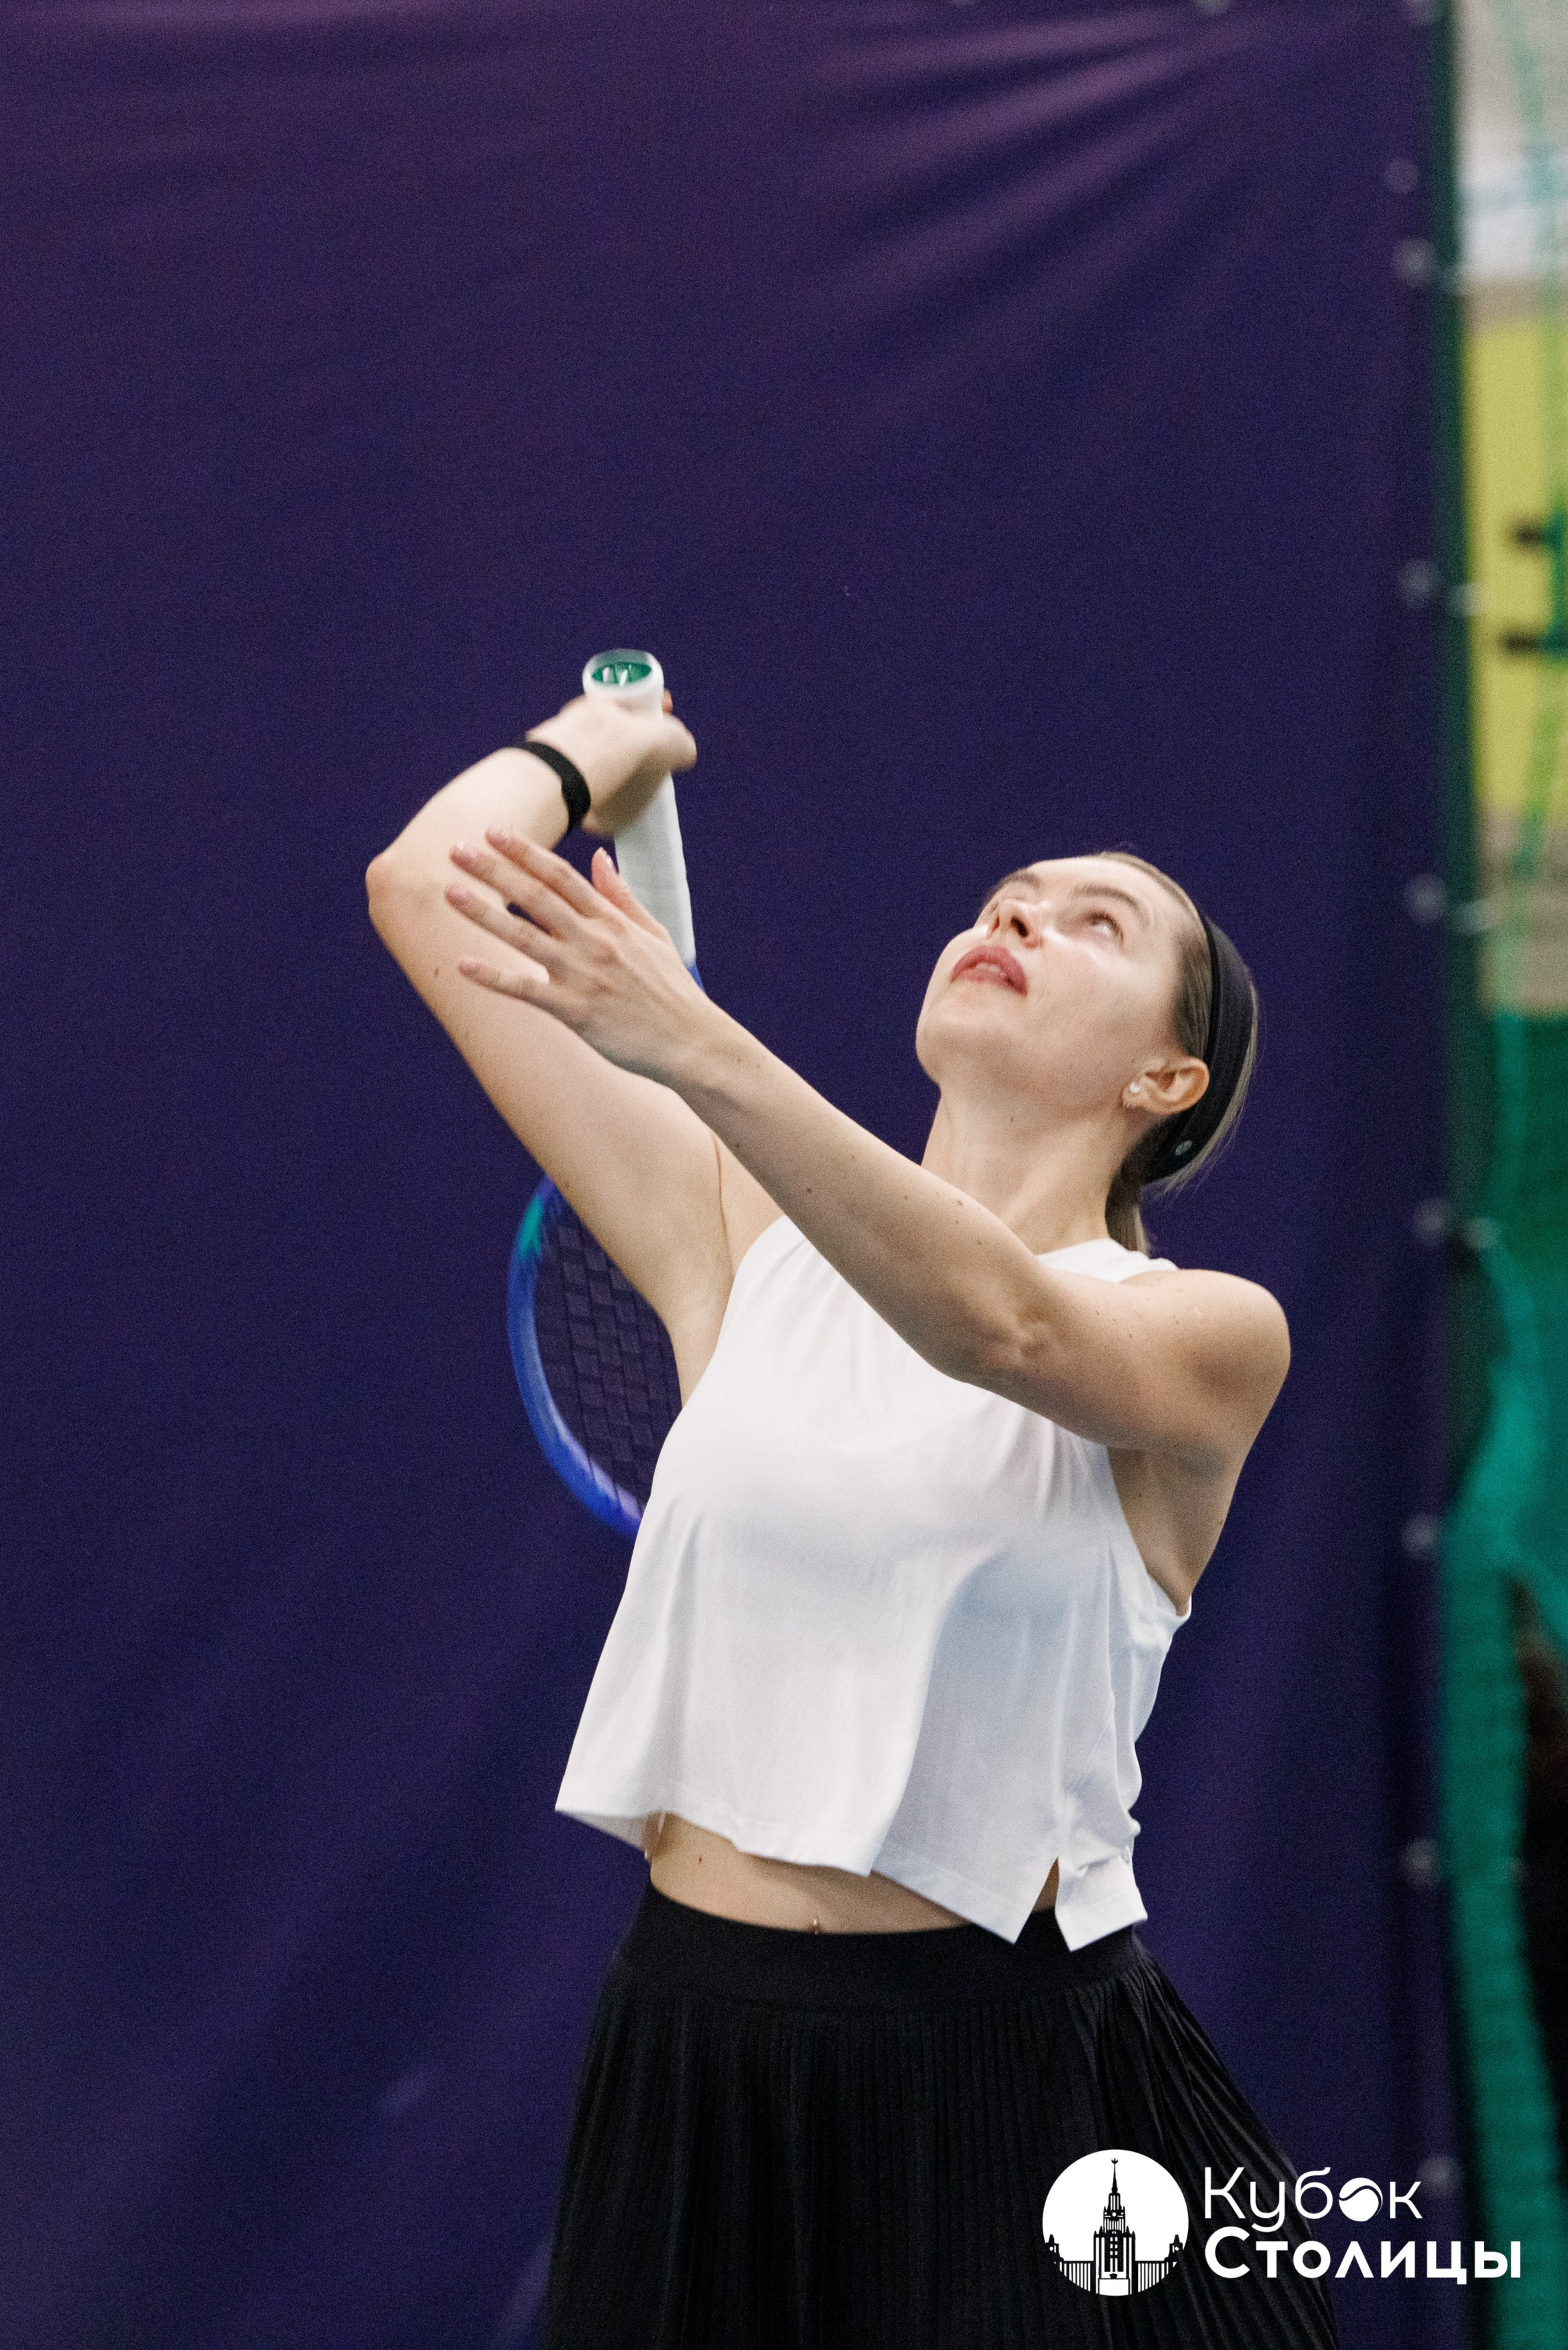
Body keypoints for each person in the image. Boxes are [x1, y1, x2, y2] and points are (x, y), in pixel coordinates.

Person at [366, 688, 1339, 2349]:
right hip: (694, 2062)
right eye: (1001, 898)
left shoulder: (1206, 1333)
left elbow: (1002, 1328)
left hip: (1011, 2085)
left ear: (1164, 1077)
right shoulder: (733, 1246)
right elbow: (428, 878)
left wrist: (693, 1044)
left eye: (1089, 922)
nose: (1015, 915)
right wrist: (614, 739)